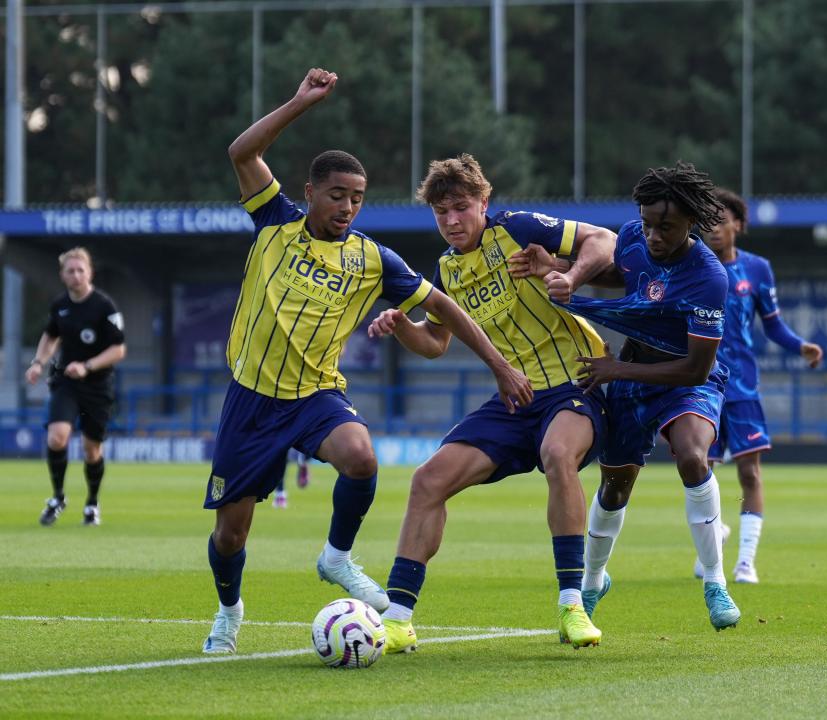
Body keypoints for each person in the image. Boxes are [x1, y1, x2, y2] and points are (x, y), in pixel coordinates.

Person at [201, 70, 532, 655]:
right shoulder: (274, 224)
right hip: (251, 397)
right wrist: (300, 104)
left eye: (357, 197)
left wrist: (500, 365)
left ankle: (337, 557)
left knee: (360, 457)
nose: (348, 206)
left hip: (315, 395)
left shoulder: (373, 260)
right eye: (337, 195)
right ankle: (229, 612)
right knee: (231, 534)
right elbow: (241, 151)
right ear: (310, 193)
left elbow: (444, 309)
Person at [368, 153, 616, 653]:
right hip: (515, 397)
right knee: (428, 480)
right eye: (441, 213)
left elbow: (604, 241)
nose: (452, 221)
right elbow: (435, 343)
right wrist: (401, 329)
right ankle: (397, 618)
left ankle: (573, 604)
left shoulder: (518, 229)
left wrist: (572, 277)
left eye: (461, 207)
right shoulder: (448, 268)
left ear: (484, 201)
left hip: (578, 382)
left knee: (556, 455)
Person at [511, 162, 741, 631]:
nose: (653, 234)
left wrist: (616, 368)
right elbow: (626, 274)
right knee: (615, 487)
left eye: (666, 227)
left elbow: (696, 366)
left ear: (691, 223)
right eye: (648, 222)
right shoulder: (634, 235)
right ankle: (593, 581)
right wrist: (556, 268)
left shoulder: (708, 279)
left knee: (693, 456)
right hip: (633, 381)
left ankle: (715, 582)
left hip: (685, 381)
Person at [696, 188, 823, 584]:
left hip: (743, 387)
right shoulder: (690, 266)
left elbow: (772, 324)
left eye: (721, 219)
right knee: (701, 472)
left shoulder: (757, 269)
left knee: (749, 474)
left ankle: (745, 562)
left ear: (739, 224)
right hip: (700, 385)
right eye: (707, 220)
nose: (713, 227)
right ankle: (711, 540)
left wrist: (800, 345)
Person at [25, 247, 126, 528]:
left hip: (98, 386)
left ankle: (92, 504)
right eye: (70, 270)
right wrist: (37, 363)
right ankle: (57, 497)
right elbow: (50, 335)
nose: (76, 275)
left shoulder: (105, 306)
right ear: (62, 275)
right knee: (57, 438)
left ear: (90, 272)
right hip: (66, 383)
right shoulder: (60, 305)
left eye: (81, 270)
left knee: (92, 450)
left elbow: (118, 350)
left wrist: (88, 366)